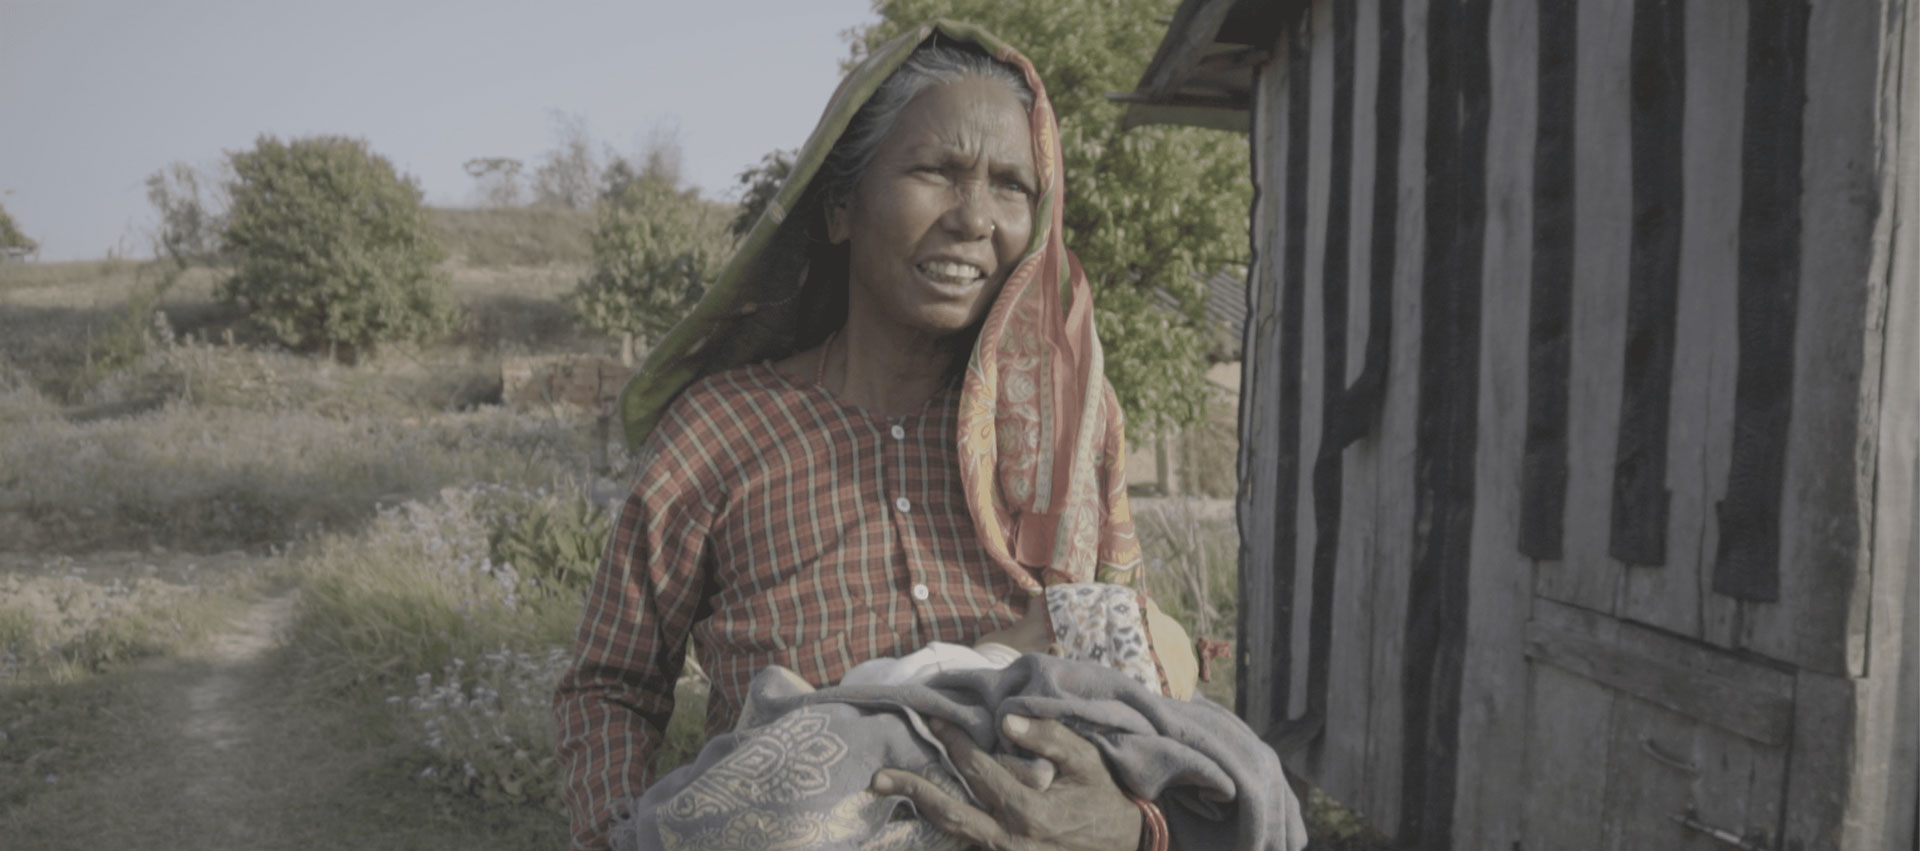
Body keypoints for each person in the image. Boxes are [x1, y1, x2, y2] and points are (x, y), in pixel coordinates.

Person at [554, 22, 1295, 851]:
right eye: (936, 171)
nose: (975, 217)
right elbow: (610, 685)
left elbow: (1141, 686)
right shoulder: (720, 430)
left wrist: (1134, 826)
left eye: (1011, 185)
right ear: (841, 208)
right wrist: (613, 834)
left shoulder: (1063, 429)